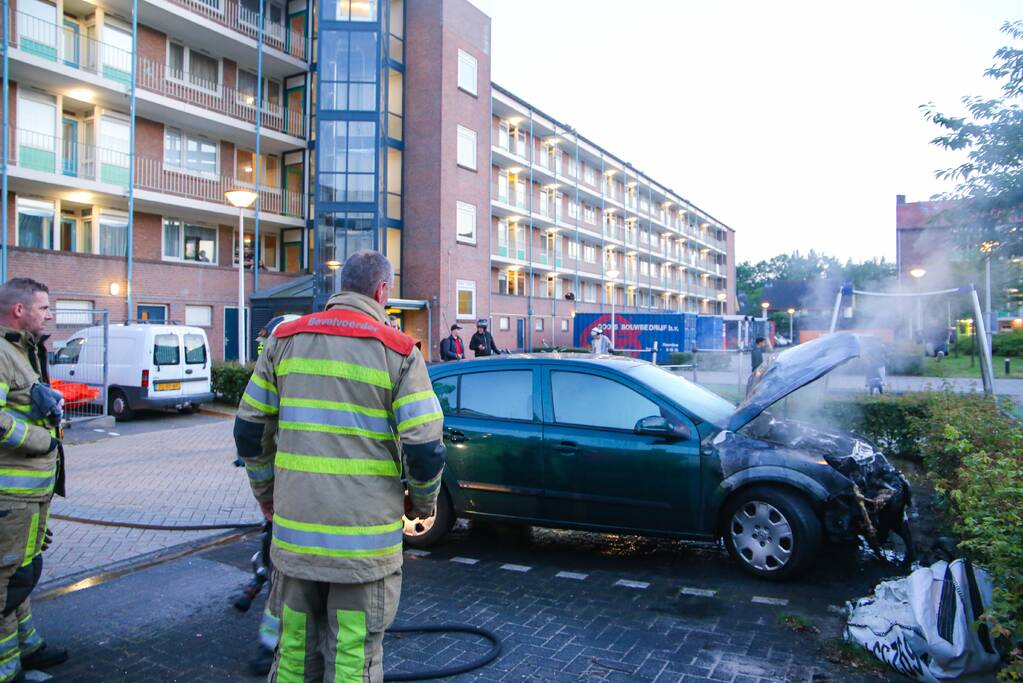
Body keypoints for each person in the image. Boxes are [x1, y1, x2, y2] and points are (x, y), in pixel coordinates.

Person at [233, 250, 445, 683]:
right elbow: (424, 448)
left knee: (292, 654)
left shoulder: (284, 340)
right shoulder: (399, 351)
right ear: (382, 291)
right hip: (362, 549)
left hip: (295, 541)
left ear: (340, 288)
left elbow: (249, 431)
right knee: (352, 658)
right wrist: (422, 507)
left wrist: (267, 495)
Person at [0, 278, 69, 683]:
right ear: (19, 311)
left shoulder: (22, 351)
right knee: (6, 583)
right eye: (44, 308)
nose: (50, 315)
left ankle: (29, 647)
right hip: (11, 495)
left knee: (22, 573)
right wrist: (43, 440)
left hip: (31, 493)